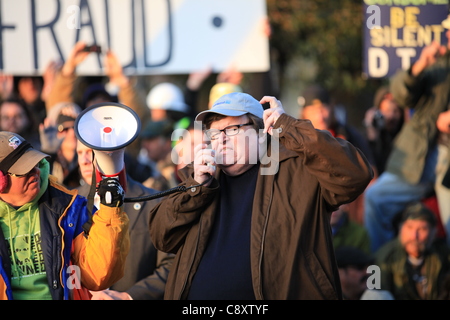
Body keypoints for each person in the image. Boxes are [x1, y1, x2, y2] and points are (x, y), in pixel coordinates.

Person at [149, 92, 373, 299]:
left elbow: (355, 175)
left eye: (232, 130)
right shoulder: (201, 179)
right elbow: (161, 237)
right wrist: (196, 188)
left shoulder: (297, 170)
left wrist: (288, 126)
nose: (221, 139)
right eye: (215, 133)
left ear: (261, 132)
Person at [0, 131, 130, 300]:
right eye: (24, 170)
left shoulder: (70, 208)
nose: (35, 172)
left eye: (36, 164)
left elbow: (97, 276)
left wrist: (111, 210)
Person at [364, 30, 450, 253]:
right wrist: (420, 65)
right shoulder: (438, 66)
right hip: (421, 160)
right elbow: (401, 95)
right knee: (374, 198)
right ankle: (381, 267)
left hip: (444, 165)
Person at [75, 140, 173, 300]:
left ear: (113, 153)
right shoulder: (69, 203)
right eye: (79, 153)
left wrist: (128, 297)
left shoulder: (154, 202)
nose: (84, 160)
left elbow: (171, 265)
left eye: (91, 152)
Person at [298, 84, 376, 225]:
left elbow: (371, 174)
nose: (320, 116)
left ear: (331, 109)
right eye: (314, 110)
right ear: (304, 112)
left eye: (324, 109)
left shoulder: (349, 136)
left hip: (347, 205)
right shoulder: (296, 140)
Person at [374, 201, 450, 300]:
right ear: (401, 229)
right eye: (410, 227)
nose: (414, 236)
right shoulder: (383, 258)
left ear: (433, 233)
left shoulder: (443, 254)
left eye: (422, 229)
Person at [363, 85, 404, 176]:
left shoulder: (404, 132)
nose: (391, 116)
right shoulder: (373, 134)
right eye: (387, 111)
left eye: (396, 111)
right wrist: (372, 133)